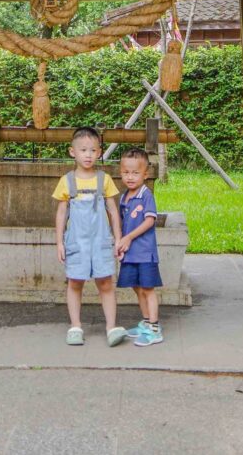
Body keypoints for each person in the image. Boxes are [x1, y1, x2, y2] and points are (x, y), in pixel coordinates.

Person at [53, 126, 126, 347]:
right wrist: (59, 242)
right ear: (72, 152)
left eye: (93, 150)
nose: (88, 154)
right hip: (76, 242)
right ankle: (75, 326)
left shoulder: (104, 180)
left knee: (105, 283)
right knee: (75, 282)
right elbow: (61, 212)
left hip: (100, 241)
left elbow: (113, 211)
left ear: (100, 152)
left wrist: (118, 238)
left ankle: (111, 327)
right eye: (83, 150)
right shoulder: (67, 181)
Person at [116, 148, 163, 346]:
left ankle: (154, 328)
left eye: (135, 173)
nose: (130, 177)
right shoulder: (124, 197)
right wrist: (120, 243)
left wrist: (128, 238)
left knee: (148, 289)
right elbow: (120, 224)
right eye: (126, 172)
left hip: (144, 253)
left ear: (145, 174)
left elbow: (149, 221)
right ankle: (145, 322)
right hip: (130, 253)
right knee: (137, 289)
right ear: (121, 172)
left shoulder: (146, 195)